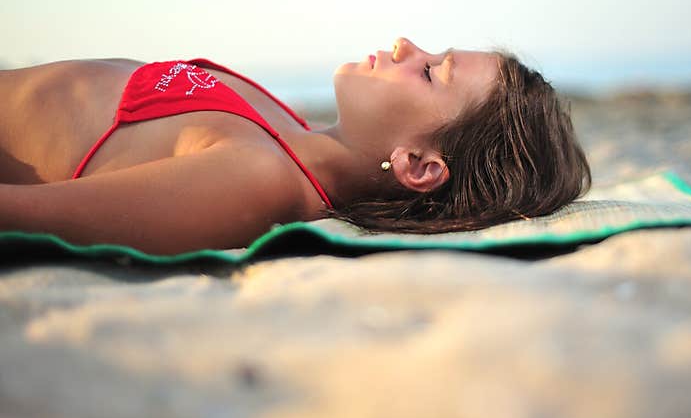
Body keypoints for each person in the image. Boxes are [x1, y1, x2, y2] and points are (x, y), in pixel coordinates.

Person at [0, 37, 591, 254]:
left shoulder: (255, 181)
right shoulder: (289, 129)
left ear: (417, 166)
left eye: (432, 72)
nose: (408, 44)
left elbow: (23, 218)